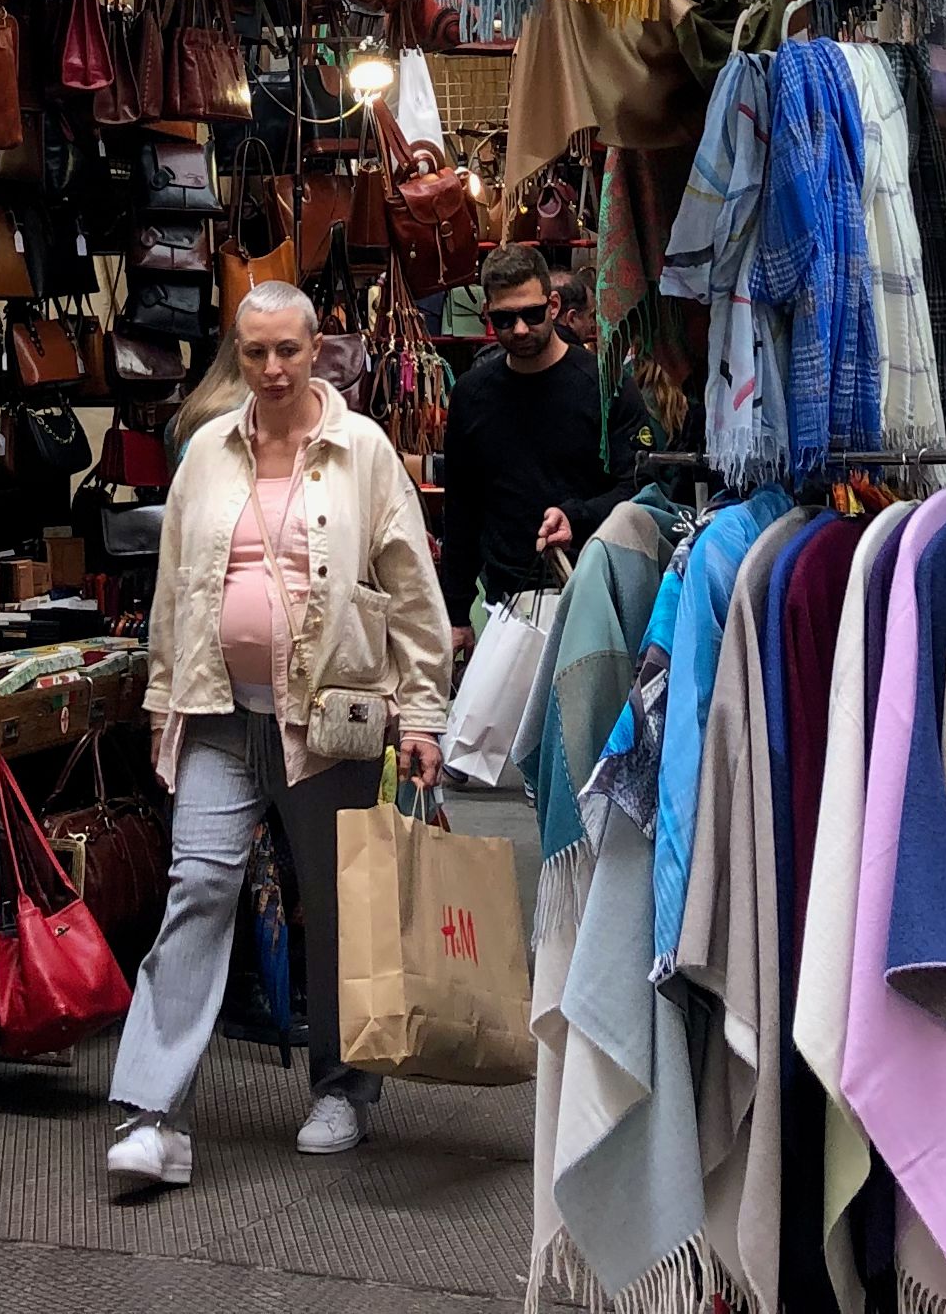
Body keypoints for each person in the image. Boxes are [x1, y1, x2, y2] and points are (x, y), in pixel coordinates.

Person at [107, 280, 450, 1191]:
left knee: (339, 906)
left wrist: (423, 713)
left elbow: (412, 591)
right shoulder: (206, 455)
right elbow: (175, 588)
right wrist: (164, 704)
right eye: (254, 352)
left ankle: (343, 1090)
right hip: (219, 713)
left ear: (315, 349)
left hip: (332, 721)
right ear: (239, 354)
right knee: (198, 885)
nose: (270, 368)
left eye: (287, 350)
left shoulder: (363, 450)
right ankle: (153, 1113)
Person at [431, 244, 641, 613]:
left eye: (532, 313)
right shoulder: (472, 394)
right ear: (487, 314)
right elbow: (462, 508)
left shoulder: (605, 385)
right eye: (504, 319)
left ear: (553, 305)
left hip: (595, 591)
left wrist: (578, 516)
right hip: (506, 602)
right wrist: (456, 611)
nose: (520, 329)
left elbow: (640, 485)